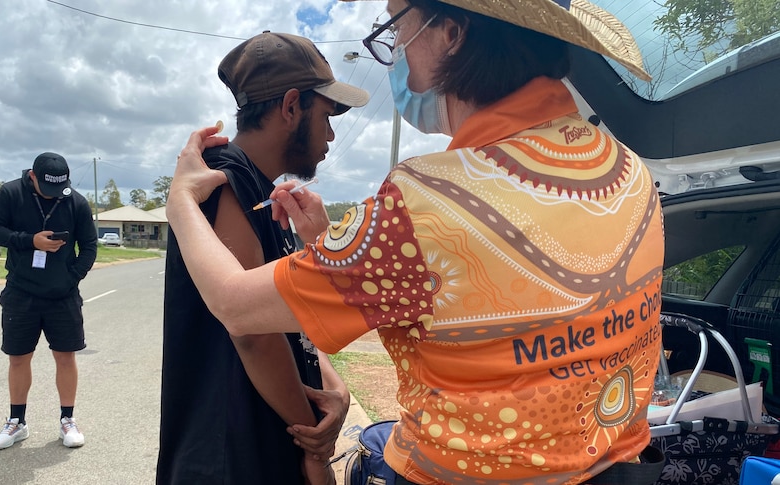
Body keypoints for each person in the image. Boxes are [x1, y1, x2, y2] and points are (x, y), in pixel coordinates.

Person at [166, 0, 665, 483]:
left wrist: (179, 202)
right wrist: (325, 244)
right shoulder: (632, 173)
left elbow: (238, 308)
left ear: (451, 33)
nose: (396, 46)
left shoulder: (426, 202)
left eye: (398, 25)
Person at [156, 32, 369, 485]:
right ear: (291, 106)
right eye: (327, 115)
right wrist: (314, 440)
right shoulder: (227, 180)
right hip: (231, 452)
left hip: (264, 436)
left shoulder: (269, 193)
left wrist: (332, 385)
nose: (331, 134)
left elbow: (288, 313)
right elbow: (255, 331)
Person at [0, 152, 97, 450]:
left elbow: (89, 246)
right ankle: (17, 422)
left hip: (63, 296)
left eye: (60, 188)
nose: (54, 195)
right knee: (18, 357)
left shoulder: (76, 202)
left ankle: (67, 420)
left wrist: (71, 278)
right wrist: (29, 240)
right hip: (21, 292)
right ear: (33, 176)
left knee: (65, 356)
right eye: (48, 188)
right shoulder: (10, 193)